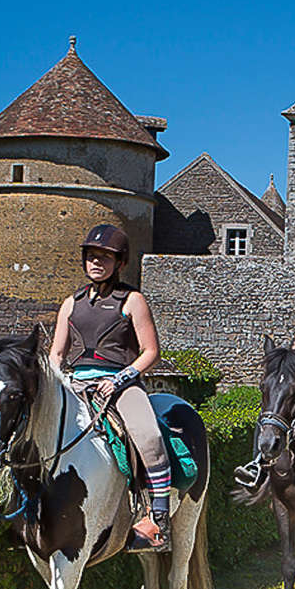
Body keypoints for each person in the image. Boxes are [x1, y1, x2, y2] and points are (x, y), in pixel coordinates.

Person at [48, 224, 173, 552]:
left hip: (120, 382)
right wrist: (57, 382)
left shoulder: (132, 300)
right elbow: (57, 354)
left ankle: (158, 517)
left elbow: (151, 352)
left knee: (148, 434)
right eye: (91, 256)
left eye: (105, 257)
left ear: (120, 262)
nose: (96, 263)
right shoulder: (70, 303)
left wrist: (119, 379)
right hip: (76, 383)